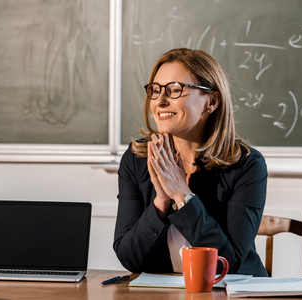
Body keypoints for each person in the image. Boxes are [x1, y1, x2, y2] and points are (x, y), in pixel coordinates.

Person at [113, 48, 268, 277]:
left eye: (175, 90)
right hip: (162, 293)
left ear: (212, 102)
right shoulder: (137, 158)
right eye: (155, 91)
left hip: (231, 291)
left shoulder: (247, 165)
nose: (160, 101)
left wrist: (182, 196)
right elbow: (129, 258)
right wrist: (162, 202)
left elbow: (226, 263)